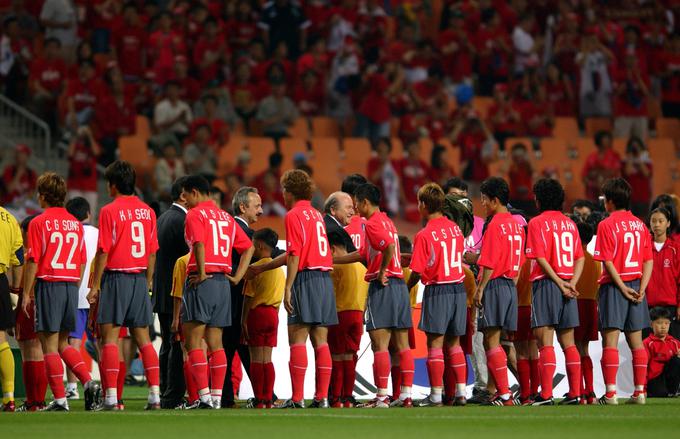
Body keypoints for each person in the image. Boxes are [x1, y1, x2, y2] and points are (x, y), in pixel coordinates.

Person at [22, 173, 101, 412]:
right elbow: (81, 261)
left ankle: (59, 399)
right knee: (64, 343)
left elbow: (34, 260)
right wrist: (73, 288)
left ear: (43, 195)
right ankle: (88, 382)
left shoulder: (38, 222)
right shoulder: (75, 224)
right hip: (70, 286)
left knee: (49, 344)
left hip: (49, 284)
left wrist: (26, 293)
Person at [88, 161, 161, 411]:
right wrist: (148, 281)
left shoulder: (109, 211)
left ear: (113, 184)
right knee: (144, 339)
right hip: (140, 279)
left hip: (116, 278)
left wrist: (95, 285)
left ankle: (110, 399)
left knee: (109, 339)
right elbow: (152, 253)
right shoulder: (148, 211)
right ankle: (154, 396)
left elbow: (103, 251)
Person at [333, 183, 413, 408]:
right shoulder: (387, 221)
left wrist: (381, 271)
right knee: (402, 345)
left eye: (357, 202)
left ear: (365, 202)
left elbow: (387, 248)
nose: (355, 207)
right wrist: (335, 259)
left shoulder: (372, 224)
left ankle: (382, 396)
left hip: (384, 286)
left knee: (380, 344)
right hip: (399, 286)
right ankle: (405, 395)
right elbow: (365, 253)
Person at [180, 175, 254, 409]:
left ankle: (202, 398)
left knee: (194, 343)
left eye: (185, 195)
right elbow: (248, 248)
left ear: (195, 192)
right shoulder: (226, 217)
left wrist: (201, 273)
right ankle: (216, 398)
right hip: (223, 283)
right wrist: (238, 277)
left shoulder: (194, 214)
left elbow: (199, 244)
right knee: (216, 343)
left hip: (203, 282)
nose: (184, 200)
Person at [407, 183, 468, 407]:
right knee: (455, 345)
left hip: (438, 289)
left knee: (435, 344)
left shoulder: (424, 234)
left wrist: (406, 287)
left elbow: (418, 270)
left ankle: (435, 395)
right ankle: (461, 393)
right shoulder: (455, 229)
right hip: (458, 289)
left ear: (423, 205)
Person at [525, 179, 585, 405]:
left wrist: (560, 283)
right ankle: (575, 393)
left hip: (548, 284)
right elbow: (580, 256)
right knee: (568, 342)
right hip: (569, 285)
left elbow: (539, 257)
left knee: (545, 342)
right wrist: (572, 283)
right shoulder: (570, 223)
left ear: (539, 199)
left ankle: (546, 394)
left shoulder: (537, 223)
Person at [594, 177, 653, 405]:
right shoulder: (640, 224)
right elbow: (648, 261)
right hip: (637, 286)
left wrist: (620, 287)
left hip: (614, 287)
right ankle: (640, 392)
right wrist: (642, 288)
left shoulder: (606, 224)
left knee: (610, 342)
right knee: (636, 343)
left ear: (609, 201)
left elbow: (607, 261)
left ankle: (610, 394)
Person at [473, 177, 525, 406]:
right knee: (504, 342)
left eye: (484, 199)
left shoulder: (495, 224)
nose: (482, 203)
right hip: (510, 286)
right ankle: (519, 389)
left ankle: (504, 394)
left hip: (494, 284)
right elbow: (521, 261)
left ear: (494, 200)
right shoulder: (517, 224)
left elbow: (489, 261)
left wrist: (480, 289)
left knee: (490, 341)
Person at [222, 186, 269, 408]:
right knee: (231, 347)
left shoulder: (227, 228)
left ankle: (255, 395)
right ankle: (258, 395)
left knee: (233, 349)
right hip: (237, 301)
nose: (260, 210)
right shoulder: (246, 235)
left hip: (230, 299)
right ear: (243, 207)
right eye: (257, 206)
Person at [153, 177, 190, 409]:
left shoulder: (163, 218)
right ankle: (174, 395)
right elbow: (190, 256)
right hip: (176, 292)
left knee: (167, 343)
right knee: (176, 343)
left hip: (161, 290)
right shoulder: (184, 221)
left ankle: (166, 390)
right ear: (184, 196)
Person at [241, 228, 284, 408]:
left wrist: (243, 320)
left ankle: (259, 399)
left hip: (257, 314)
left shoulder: (254, 269)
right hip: (273, 314)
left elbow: (248, 296)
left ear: (259, 244)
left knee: (256, 358)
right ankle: (268, 399)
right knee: (268, 359)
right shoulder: (279, 270)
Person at [327, 230, 368, 408]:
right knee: (351, 357)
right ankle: (347, 397)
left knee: (337, 357)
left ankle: (336, 398)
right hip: (358, 315)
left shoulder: (335, 267)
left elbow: (328, 294)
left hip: (340, 314)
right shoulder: (362, 267)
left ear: (333, 248)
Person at [63, 197, 98, 400]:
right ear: (88, 214)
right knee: (102, 342)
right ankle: (109, 387)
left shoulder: (70, 233)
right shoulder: (99, 234)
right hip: (95, 294)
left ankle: (72, 388)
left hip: (75, 294)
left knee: (73, 342)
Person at [14, 214, 47, 412]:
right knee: (40, 352)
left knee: (30, 352)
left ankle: (34, 401)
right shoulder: (45, 251)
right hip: (44, 300)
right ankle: (38, 401)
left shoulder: (28, 256)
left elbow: (17, 285)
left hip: (28, 301)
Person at [573, 220, 601, 405]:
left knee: (574, 348)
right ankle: (590, 391)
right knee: (584, 349)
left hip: (577, 305)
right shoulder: (595, 260)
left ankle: (579, 392)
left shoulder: (577, 259)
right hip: (591, 305)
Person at [0, 204, 23, 412]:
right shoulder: (9, 218)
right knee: (1, 341)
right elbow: (19, 258)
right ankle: (9, 398)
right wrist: (15, 289)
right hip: (0, 281)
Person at [646, 208, 680, 340]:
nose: (657, 224)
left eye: (661, 221)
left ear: (668, 223)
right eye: (653, 221)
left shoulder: (676, 248)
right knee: (648, 350)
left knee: (673, 351)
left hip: (670, 307)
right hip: (647, 306)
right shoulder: (644, 247)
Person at [514, 260, 539, 405]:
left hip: (520, 307)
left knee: (521, 353)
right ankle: (535, 392)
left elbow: (513, 283)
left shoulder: (518, 259)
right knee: (534, 353)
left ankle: (525, 394)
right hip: (535, 307)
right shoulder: (536, 260)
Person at [644, 307, 680, 397]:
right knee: (660, 394)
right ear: (651, 324)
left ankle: (674, 390)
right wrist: (642, 389)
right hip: (654, 378)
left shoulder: (675, 342)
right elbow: (643, 367)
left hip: (670, 377)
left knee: (677, 360)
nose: (663, 326)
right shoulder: (647, 343)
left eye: (666, 323)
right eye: (659, 323)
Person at [67, 127, 101, 220]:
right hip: (74, 185)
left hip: (90, 186)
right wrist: (75, 136)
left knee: (91, 215)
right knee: (73, 215)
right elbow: (69, 154)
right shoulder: (75, 145)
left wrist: (89, 135)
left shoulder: (91, 146)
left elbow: (97, 152)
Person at [582, 131, 621, 201]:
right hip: (593, 193)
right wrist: (591, 183)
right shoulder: (591, 157)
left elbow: (615, 171)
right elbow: (584, 175)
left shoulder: (614, 156)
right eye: (606, 139)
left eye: (609, 139)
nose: (608, 141)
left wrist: (599, 173)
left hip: (610, 193)